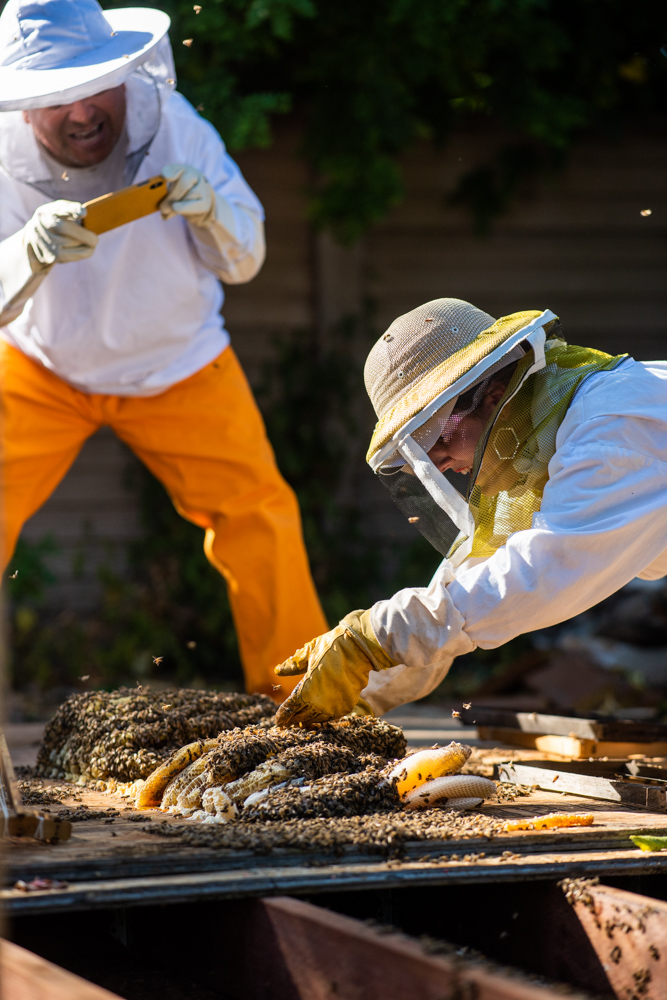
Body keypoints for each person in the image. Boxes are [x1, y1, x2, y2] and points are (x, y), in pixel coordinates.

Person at [0, 0, 327, 697]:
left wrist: (211, 207)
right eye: (59, 98)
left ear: (124, 72)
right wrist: (26, 254)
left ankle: (303, 705)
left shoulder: (179, 128)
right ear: (26, 107)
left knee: (259, 520)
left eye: (96, 84)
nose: (84, 110)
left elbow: (245, 261)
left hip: (181, 363)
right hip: (41, 368)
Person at [274, 297, 667, 725]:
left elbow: (540, 572)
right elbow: (470, 578)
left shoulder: (610, 433)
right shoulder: (546, 440)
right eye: (419, 449)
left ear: (492, 395)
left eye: (435, 438)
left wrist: (378, 638)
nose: (437, 462)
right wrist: (367, 692)